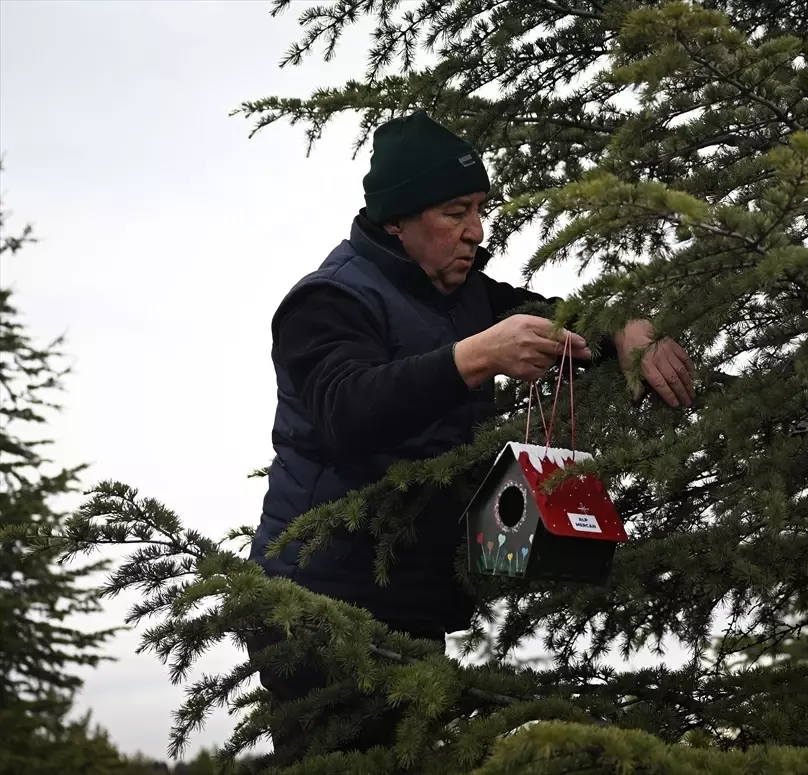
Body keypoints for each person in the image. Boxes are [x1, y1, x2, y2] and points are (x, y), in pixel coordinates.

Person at [244, 111, 694, 763]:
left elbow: (558, 320)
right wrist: (476, 357)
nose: (476, 230)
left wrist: (625, 326)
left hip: (413, 603)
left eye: (481, 208)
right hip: (319, 605)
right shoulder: (327, 301)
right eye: (456, 211)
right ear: (398, 219)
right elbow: (347, 409)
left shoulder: (465, 292)